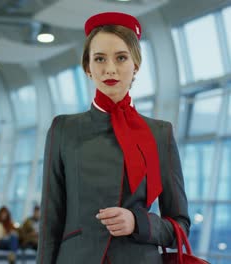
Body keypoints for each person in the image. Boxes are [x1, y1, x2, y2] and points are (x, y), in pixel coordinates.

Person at [36, 12, 190, 263]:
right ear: (87, 68)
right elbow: (50, 220)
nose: (110, 69)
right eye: (99, 59)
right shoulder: (63, 129)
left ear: (136, 65)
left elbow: (181, 227)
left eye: (121, 58)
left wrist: (138, 222)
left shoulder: (160, 133)